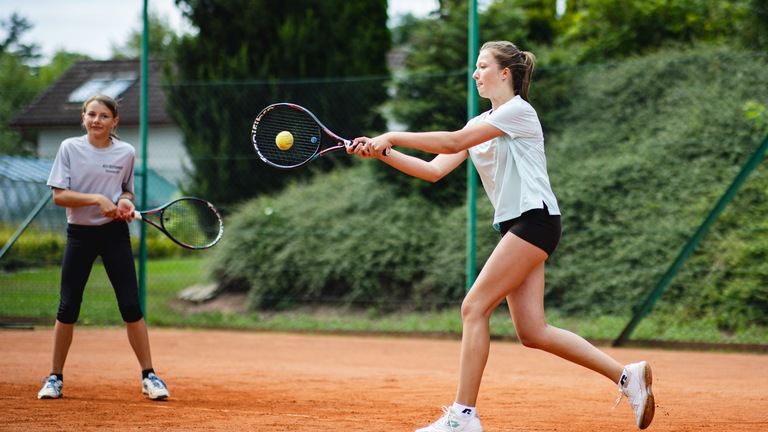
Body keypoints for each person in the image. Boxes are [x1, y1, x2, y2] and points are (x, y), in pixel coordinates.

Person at [348, 41, 655, 431]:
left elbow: (453, 142)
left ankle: (462, 417)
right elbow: (434, 170)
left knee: (473, 307)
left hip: (535, 220)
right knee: (533, 331)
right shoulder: (481, 122)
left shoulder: (519, 111)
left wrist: (392, 135)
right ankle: (627, 377)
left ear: (505, 73)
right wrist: (382, 152)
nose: (475, 74)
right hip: (521, 225)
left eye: (482, 66)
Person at [37, 94, 170, 401]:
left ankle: (149, 376)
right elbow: (59, 196)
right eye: (91, 114)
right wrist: (97, 199)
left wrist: (124, 201)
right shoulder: (69, 148)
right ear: (83, 118)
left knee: (131, 306)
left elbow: (126, 191)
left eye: (104, 116)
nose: (97, 120)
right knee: (68, 307)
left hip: (114, 235)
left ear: (114, 122)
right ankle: (55, 377)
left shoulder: (126, 152)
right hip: (79, 235)